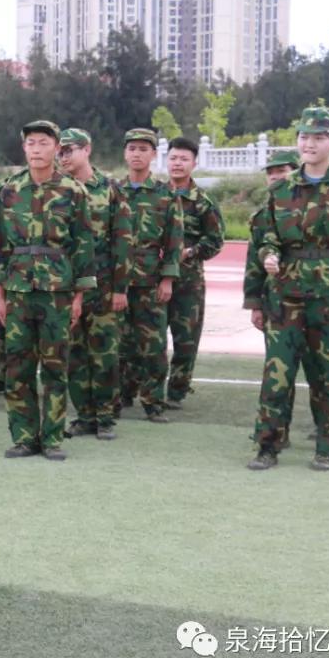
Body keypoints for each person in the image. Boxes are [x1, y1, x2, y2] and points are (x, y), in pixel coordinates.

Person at [249, 107, 329, 471]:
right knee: (277, 372)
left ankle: (327, 445)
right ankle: (268, 445)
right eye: (304, 137)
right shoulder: (281, 188)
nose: (309, 144)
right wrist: (269, 255)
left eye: (318, 137)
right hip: (286, 293)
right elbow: (267, 236)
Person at [0, 120, 95, 461]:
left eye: (43, 143)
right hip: (18, 290)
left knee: (54, 367)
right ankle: (24, 437)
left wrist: (79, 297)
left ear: (56, 148)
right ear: (24, 148)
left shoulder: (73, 191)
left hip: (57, 292)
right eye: (31, 143)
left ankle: (51, 439)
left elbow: (83, 245)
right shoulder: (10, 190)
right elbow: (0, 244)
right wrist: (0, 296)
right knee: (17, 367)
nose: (36, 149)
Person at [57, 128, 132, 440]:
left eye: (69, 150)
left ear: (87, 149)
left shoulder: (109, 189)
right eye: (59, 152)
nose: (63, 157)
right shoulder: (57, 189)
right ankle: (84, 415)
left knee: (104, 354)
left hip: (102, 287)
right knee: (74, 354)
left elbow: (122, 240)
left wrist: (120, 288)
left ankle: (105, 416)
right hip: (66, 285)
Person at [244, 150, 310, 450]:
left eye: (281, 171)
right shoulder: (263, 216)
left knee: (320, 371)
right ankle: (276, 433)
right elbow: (253, 264)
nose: (275, 177)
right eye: (270, 173)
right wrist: (254, 304)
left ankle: (328, 431)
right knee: (279, 370)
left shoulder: (314, 209)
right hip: (279, 302)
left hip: (319, 300)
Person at [117, 128, 183, 422]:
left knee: (153, 345)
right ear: (125, 153)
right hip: (117, 280)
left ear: (154, 155)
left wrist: (167, 279)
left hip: (150, 280)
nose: (137, 154)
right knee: (119, 342)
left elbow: (174, 241)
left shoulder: (165, 195)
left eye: (144, 149)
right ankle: (118, 396)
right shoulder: (113, 191)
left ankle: (153, 401)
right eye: (132, 148)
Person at [164, 137, 225, 409]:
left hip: (188, 282)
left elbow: (215, 241)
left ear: (194, 163)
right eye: (173, 158)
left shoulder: (203, 202)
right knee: (145, 340)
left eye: (184, 159)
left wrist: (189, 252)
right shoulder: (156, 195)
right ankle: (142, 390)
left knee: (186, 340)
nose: (177, 163)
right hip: (152, 279)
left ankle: (177, 392)